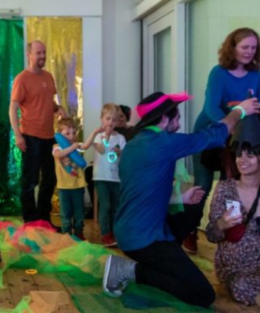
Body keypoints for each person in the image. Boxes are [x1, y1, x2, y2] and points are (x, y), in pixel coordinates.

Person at [102, 91, 260, 308]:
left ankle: (163, 262)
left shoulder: (135, 146)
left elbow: (141, 194)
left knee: (193, 209)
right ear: (164, 119)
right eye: (176, 118)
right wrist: (241, 110)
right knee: (203, 295)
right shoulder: (163, 143)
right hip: (143, 240)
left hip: (129, 229)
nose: (179, 123)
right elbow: (215, 134)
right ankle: (131, 270)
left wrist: (180, 197)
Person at [188, 27, 260, 254]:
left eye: (254, 48)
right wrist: (231, 124)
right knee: (203, 185)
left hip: (241, 138)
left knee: (235, 184)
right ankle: (190, 230)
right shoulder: (218, 72)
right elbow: (211, 109)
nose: (250, 52)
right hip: (210, 133)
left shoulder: (257, 74)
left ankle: (237, 233)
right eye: (245, 47)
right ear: (232, 47)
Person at [10, 40, 66, 226]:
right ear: (29, 55)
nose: (42, 56)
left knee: (49, 179)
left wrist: (58, 109)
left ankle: (44, 217)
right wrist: (18, 135)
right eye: (39, 53)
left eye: (44, 52)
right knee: (30, 180)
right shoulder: (22, 79)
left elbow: (47, 102)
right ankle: (30, 219)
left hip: (49, 137)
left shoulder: (48, 77)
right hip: (30, 136)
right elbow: (13, 108)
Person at [205, 115, 260, 306]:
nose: (242, 160)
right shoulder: (225, 188)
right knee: (242, 285)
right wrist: (221, 223)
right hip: (236, 269)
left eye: (249, 155)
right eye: (238, 154)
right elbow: (211, 235)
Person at [52, 118, 100, 239]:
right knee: (65, 213)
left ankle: (79, 232)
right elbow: (58, 155)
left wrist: (94, 133)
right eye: (67, 133)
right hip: (63, 187)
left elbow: (85, 146)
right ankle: (66, 233)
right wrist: (72, 148)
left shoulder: (76, 145)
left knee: (79, 213)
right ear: (60, 134)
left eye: (74, 133)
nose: (71, 136)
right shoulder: (57, 146)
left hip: (78, 186)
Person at [93, 104, 126, 247]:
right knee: (105, 205)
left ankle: (115, 232)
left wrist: (120, 153)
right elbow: (100, 149)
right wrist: (105, 136)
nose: (110, 122)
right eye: (107, 118)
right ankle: (105, 233)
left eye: (114, 119)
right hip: (101, 177)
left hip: (115, 178)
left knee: (115, 206)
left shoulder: (121, 138)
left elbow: (125, 155)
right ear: (101, 119)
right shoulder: (98, 136)